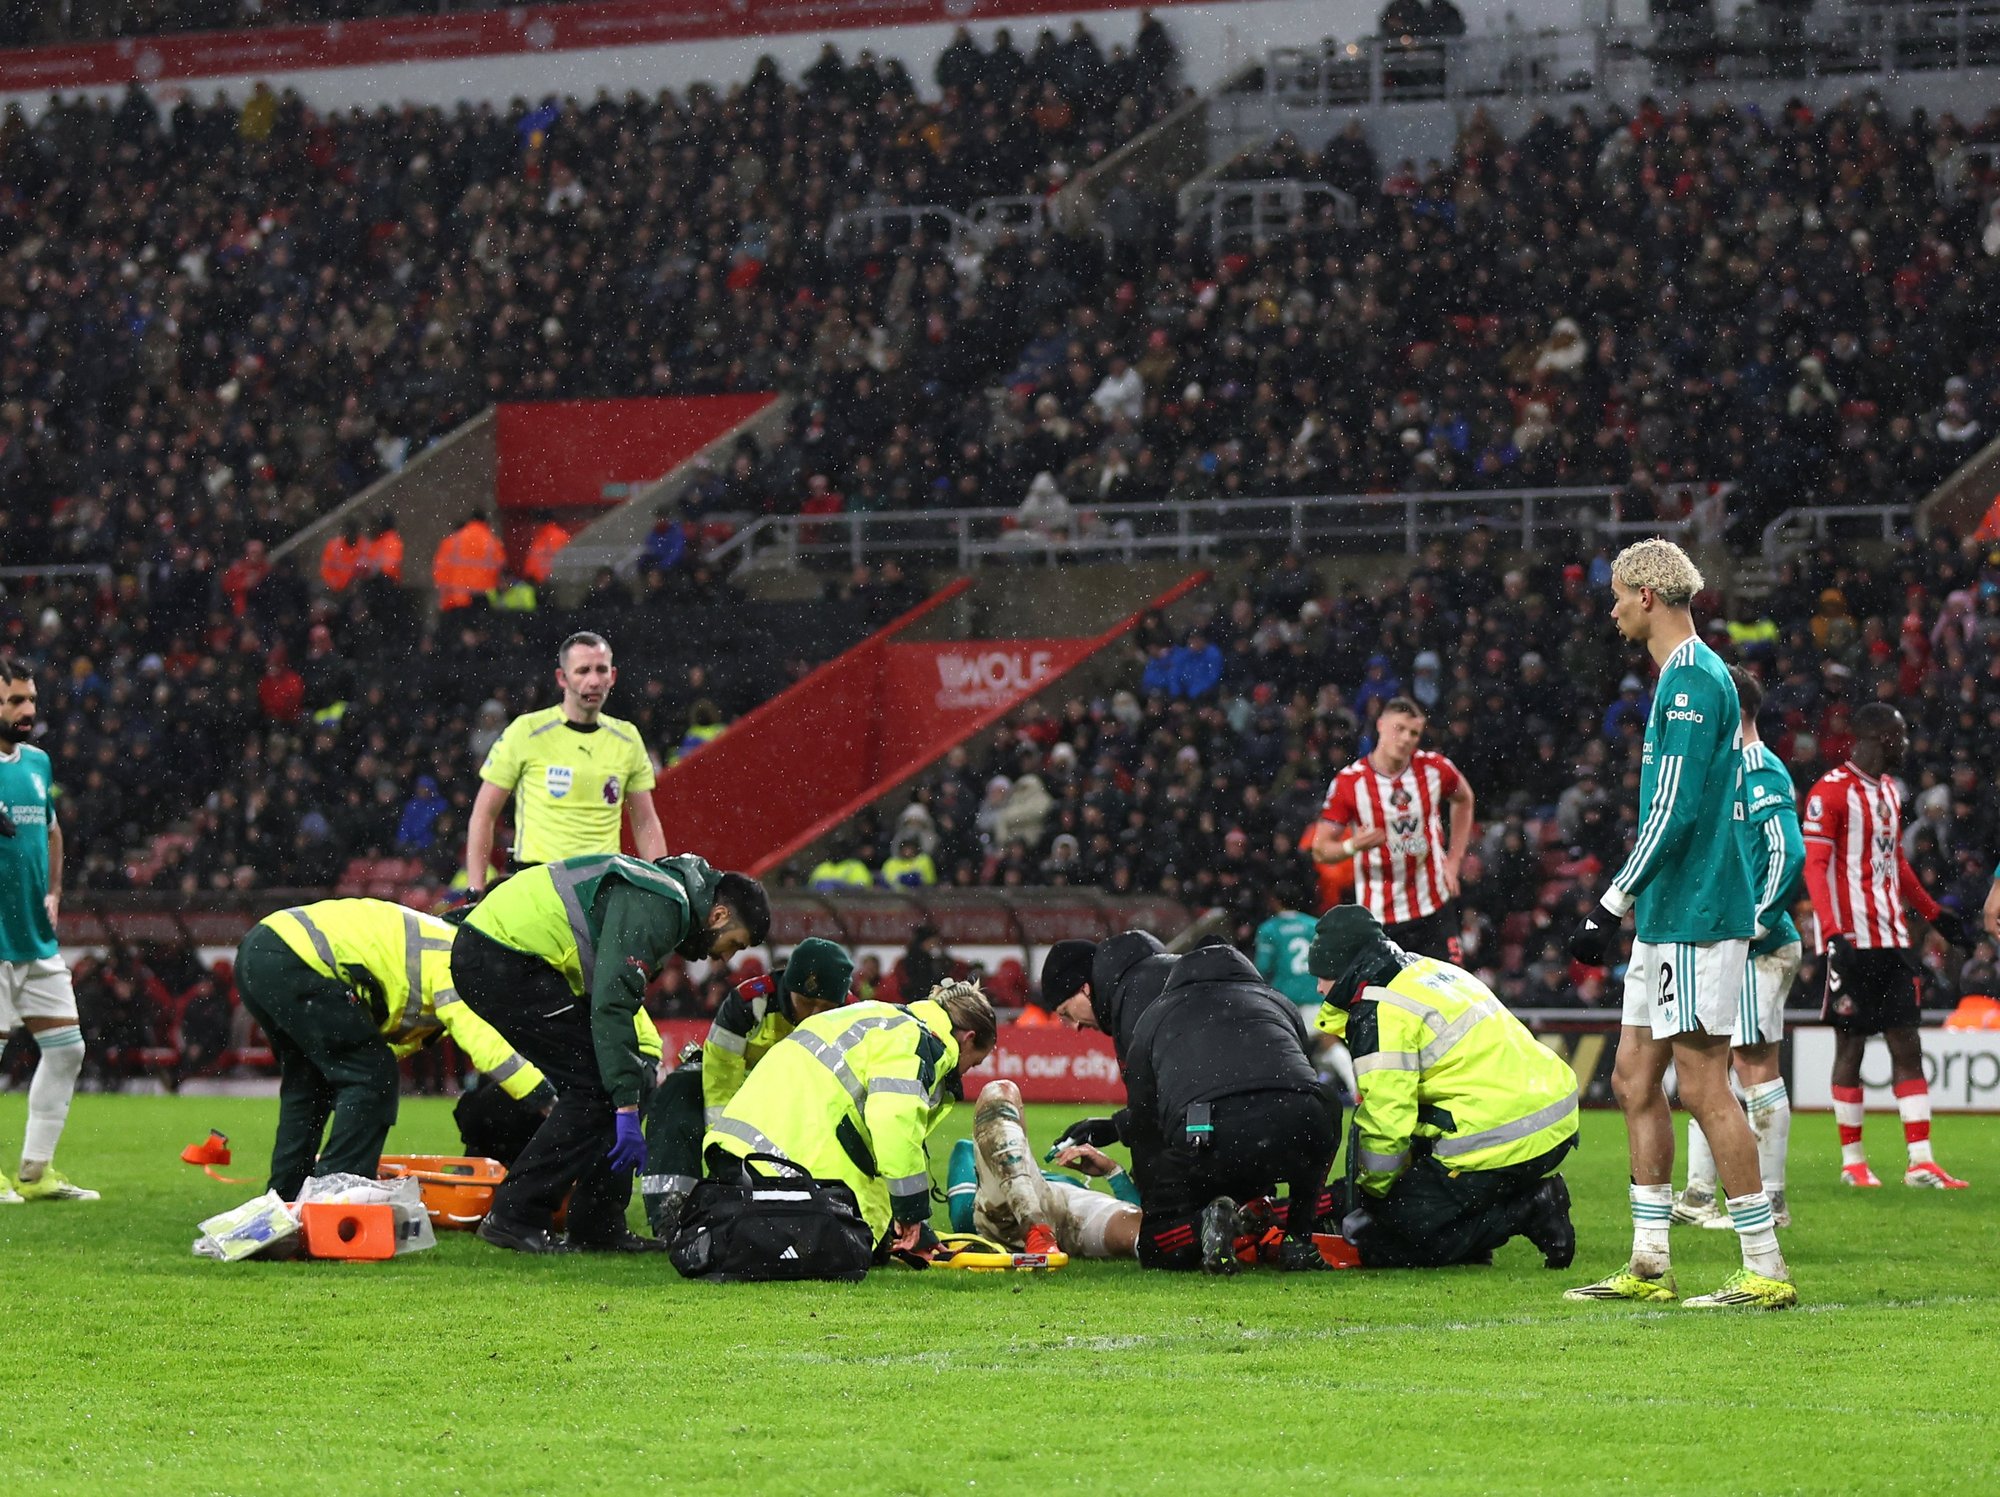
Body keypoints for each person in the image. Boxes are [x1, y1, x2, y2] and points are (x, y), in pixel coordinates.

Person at [1565, 539, 1796, 1309]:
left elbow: (1676, 808)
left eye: (1619, 595)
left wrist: (1609, 901)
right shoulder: (1685, 677)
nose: (1614, 608)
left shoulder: (1693, 680)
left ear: (1648, 597)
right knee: (1634, 1078)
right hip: (1670, 912)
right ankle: (1651, 1261)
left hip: (1697, 912)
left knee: (1703, 1084)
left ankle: (1764, 1265)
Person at [452, 852, 770, 1253]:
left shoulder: (664, 896)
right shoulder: (662, 905)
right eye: (733, 944)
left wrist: (627, 1091)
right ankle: (516, 1216)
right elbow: (612, 1005)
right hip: (499, 957)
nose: (724, 958)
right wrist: (624, 1106)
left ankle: (597, 1226)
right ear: (719, 915)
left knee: (618, 1080)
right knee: (598, 1088)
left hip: (507, 956)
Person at [1040, 932, 1335, 1273]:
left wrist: (1160, 1211)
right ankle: (1298, 1237)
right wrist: (1114, 1128)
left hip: (1218, 1129)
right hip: (1303, 1123)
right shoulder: (1275, 999)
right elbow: (1296, 1073)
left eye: (1066, 1012)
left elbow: (1151, 1120)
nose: (1073, 1027)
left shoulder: (1153, 1011)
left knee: (1158, 1243)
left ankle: (1214, 1221)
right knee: (1320, 1108)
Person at [1308, 905, 1577, 1269]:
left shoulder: (1380, 1007)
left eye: (1323, 974)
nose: (1319, 987)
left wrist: (1372, 1197)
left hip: (1502, 1132)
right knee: (1423, 1199)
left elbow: (1388, 1118)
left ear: (1343, 969)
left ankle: (1530, 1209)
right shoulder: (1429, 970)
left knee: (1394, 1233)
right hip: (1552, 1112)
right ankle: (1494, 1216)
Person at [234, 898, 550, 1199]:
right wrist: (544, 1096)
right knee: (372, 1076)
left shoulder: (433, 941)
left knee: (308, 1088)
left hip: (262, 949)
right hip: (297, 958)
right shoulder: (457, 959)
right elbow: (484, 1043)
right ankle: (334, 1198)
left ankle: (283, 1198)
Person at [1801, 703, 1975, 1190]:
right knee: (1851, 1045)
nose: (1905, 743)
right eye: (1899, 735)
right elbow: (1815, 868)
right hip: (1852, 940)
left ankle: (1920, 1161)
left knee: (1907, 1045)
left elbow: (1893, 863)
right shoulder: (1830, 793)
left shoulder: (1889, 794)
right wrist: (1833, 934)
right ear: (1876, 737)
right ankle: (1853, 1162)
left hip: (1893, 939)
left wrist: (1933, 913)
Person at [704, 980, 997, 1260]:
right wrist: (911, 1213)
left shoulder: (879, 1015)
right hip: (778, 1169)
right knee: (850, 1251)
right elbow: (893, 1123)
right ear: (968, 1037)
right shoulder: (917, 1042)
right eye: (975, 1061)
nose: (967, 1071)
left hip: (734, 1156)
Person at [1676, 667, 1806, 1229]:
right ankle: (1701, 1193)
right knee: (1713, 1067)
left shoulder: (1758, 766)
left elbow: (1787, 849)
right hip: (1735, 941)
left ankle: (1770, 1201)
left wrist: (1756, 920)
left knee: (1754, 1069)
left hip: (1761, 945)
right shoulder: (1731, 767)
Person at [639, 937, 854, 1236]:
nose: (813, 1016)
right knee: (682, 1086)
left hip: (807, 1096)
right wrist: (724, 1149)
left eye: (826, 1008)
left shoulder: (855, 1015)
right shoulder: (750, 1001)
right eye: (806, 1003)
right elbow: (720, 1078)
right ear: (788, 987)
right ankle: (672, 1213)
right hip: (742, 1087)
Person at [465, 632, 665, 894]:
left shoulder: (626, 738)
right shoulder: (526, 732)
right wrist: (474, 889)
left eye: (601, 670)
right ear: (562, 678)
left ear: (612, 677)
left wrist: (663, 886)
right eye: (583, 671)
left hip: (601, 886)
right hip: (537, 881)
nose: (593, 680)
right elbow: (484, 814)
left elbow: (645, 822)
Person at [0, 658, 95, 1203]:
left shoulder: (37, 763)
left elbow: (52, 831)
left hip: (34, 938)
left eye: (31, 699)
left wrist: (54, 892)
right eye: (14, 701)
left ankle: (35, 1174)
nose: (27, 711)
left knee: (66, 1051)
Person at [1313, 696, 1475, 961]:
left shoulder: (1434, 768)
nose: (1406, 739)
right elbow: (1320, 850)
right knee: (1388, 1000)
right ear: (1380, 726)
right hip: (1380, 918)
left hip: (1433, 906)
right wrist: (1353, 845)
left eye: (1413, 733)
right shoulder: (1349, 783)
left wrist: (1454, 860)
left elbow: (1464, 799)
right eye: (1399, 729)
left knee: (1448, 993)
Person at [944, 1079, 1142, 1260]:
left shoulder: (1050, 1179)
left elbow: (1143, 1217)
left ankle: (1039, 1234)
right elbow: (965, 1149)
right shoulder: (987, 1192)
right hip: (1010, 1217)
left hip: (1069, 1211)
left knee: (1140, 1230)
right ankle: (1036, 1230)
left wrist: (1112, 1170)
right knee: (1001, 1090)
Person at [431, 508, 504, 611]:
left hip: (456, 599)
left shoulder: (453, 540)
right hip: (482, 599)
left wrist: (447, 593)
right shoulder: (493, 543)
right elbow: (500, 569)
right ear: (486, 521)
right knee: (477, 626)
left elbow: (440, 568)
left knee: (458, 626)